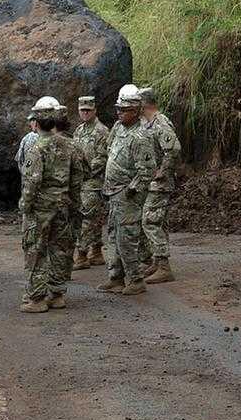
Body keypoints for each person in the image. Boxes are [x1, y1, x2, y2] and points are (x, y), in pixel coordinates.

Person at [17, 98, 75, 312]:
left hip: (40, 209)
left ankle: (37, 298)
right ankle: (57, 294)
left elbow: (32, 182)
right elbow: (79, 176)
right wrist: (72, 201)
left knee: (35, 251)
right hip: (63, 204)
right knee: (60, 249)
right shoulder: (69, 145)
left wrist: (25, 205)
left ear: (37, 123)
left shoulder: (36, 148)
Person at [97, 84, 156, 295]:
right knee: (113, 236)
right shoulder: (118, 128)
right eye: (118, 109)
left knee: (127, 238)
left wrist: (132, 190)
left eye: (124, 109)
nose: (120, 113)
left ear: (136, 110)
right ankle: (116, 277)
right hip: (113, 192)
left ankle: (135, 279)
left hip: (127, 194)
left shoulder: (141, 136)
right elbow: (109, 151)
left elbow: (147, 171)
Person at [138, 86, 182, 284]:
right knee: (158, 222)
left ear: (144, 103)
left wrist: (162, 173)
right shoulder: (149, 123)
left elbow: (173, 149)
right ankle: (157, 261)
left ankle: (164, 266)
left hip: (159, 185)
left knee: (150, 221)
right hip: (151, 183)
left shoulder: (160, 122)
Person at [45, 103, 86, 306]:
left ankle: (42, 290)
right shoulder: (75, 145)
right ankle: (58, 291)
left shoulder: (40, 144)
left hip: (44, 205)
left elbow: (29, 177)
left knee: (41, 247)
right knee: (63, 245)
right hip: (68, 202)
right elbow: (82, 174)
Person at [72, 96, 109, 270]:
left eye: (88, 110)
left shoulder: (102, 131)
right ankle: (96, 252)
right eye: (82, 110)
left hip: (93, 182)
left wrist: (84, 173)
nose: (85, 112)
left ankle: (81, 254)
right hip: (81, 181)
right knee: (93, 217)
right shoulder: (79, 131)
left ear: (94, 110)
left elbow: (101, 158)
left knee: (86, 217)